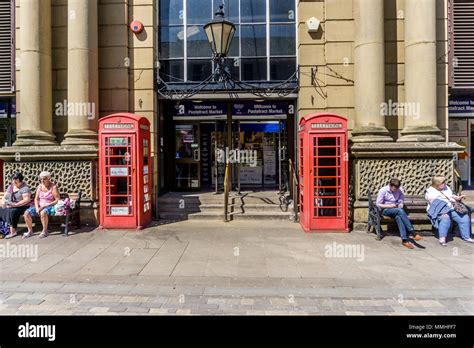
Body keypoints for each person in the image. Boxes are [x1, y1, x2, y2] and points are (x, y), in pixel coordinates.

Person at [425, 175, 474, 246]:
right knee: (445, 218)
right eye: (443, 182)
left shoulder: (446, 188)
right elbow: (435, 204)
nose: (445, 183)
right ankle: (442, 238)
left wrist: (458, 198)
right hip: (439, 210)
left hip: (451, 208)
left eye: (444, 182)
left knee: (464, 218)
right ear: (437, 184)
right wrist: (445, 207)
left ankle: (466, 237)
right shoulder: (430, 191)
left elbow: (451, 196)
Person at [376, 178, 422, 249]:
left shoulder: (400, 190)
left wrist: (400, 205)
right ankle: (412, 232)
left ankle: (404, 240)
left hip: (396, 209)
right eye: (394, 188)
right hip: (385, 210)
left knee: (399, 216)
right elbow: (378, 204)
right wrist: (389, 206)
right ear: (390, 185)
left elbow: (401, 201)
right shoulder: (383, 190)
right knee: (400, 211)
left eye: (397, 188)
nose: (395, 190)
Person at [23, 171, 60, 239]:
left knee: (43, 212)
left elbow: (57, 200)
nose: (42, 180)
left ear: (49, 178)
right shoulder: (39, 187)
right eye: (41, 179)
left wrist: (45, 206)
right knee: (26, 213)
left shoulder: (53, 187)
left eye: (44, 179)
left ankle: (45, 231)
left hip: (50, 206)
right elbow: (36, 199)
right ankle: (30, 231)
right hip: (40, 206)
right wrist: (37, 207)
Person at [0, 172, 32, 239]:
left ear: (20, 180)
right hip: (10, 204)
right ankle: (3, 230)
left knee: (12, 211)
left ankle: (13, 231)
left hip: (22, 206)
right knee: (1, 210)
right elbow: (5, 197)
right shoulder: (11, 187)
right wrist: (3, 202)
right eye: (13, 180)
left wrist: (15, 205)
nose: (14, 182)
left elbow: (26, 200)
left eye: (16, 180)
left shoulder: (25, 188)